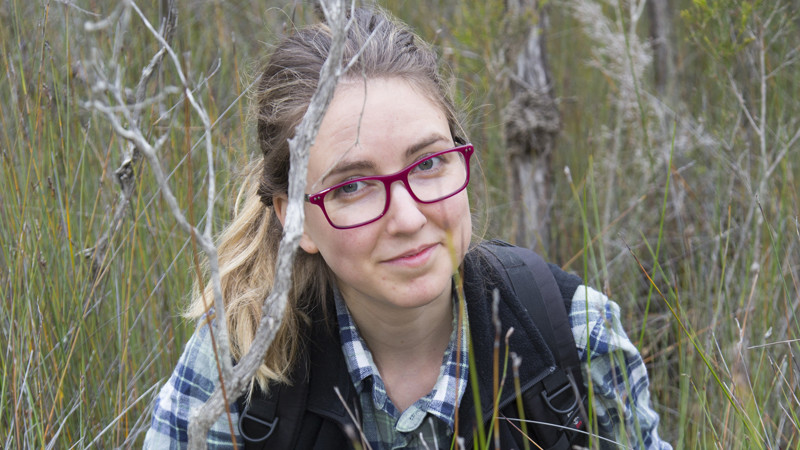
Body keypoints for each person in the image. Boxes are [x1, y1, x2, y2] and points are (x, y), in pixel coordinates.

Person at [145, 7, 671, 450]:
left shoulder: (576, 335)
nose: (409, 218)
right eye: (351, 186)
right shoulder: (236, 362)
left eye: (427, 165)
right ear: (294, 219)